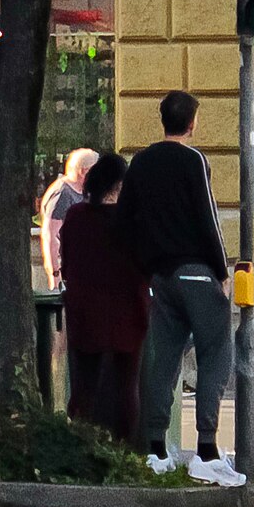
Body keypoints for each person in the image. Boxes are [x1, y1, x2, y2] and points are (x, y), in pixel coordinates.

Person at [120, 90, 241, 484]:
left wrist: (145, 268)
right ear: (192, 123)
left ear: (162, 120)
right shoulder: (193, 161)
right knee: (215, 353)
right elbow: (208, 217)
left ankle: (156, 447)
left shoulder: (140, 162)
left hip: (160, 277)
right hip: (196, 271)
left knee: (164, 360)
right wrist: (222, 272)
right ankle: (206, 450)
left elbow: (126, 219)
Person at [57, 151, 147, 444]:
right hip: (128, 311)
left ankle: (81, 445)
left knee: (84, 386)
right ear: (120, 186)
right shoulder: (133, 221)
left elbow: (67, 263)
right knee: (126, 387)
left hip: (84, 312)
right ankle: (124, 449)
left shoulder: (76, 216)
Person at [38, 148, 97, 290]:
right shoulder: (63, 193)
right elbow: (50, 236)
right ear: (84, 171)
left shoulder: (84, 192)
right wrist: (55, 274)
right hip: (70, 273)